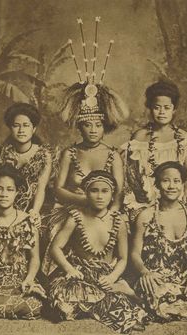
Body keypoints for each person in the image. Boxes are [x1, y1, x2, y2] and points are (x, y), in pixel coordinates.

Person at [42, 82, 128, 275]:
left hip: (106, 210)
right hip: (71, 210)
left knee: (114, 234)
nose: (93, 130)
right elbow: (59, 189)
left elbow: (119, 192)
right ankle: (62, 276)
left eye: (98, 125)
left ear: (104, 127)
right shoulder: (69, 153)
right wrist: (84, 201)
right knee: (54, 236)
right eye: (87, 125)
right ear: (80, 127)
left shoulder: (113, 155)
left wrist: (110, 214)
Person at [47, 170, 146, 333]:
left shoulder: (118, 221)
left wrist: (113, 277)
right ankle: (92, 303)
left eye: (104, 191)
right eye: (94, 190)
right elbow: (55, 248)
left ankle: (122, 290)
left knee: (118, 305)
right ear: (86, 193)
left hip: (104, 275)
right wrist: (69, 269)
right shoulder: (76, 217)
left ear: (112, 195)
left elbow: (122, 258)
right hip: (79, 272)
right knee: (61, 306)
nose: (100, 196)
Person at [131, 161, 187, 321]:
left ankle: (180, 306)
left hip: (184, 278)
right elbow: (134, 253)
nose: (171, 186)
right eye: (166, 181)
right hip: (157, 278)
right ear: (157, 185)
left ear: (183, 184)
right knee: (158, 295)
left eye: (176, 181)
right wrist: (145, 272)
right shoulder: (146, 215)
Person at [0, 164, 46, 319]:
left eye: (10, 189)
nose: (4, 194)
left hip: (18, 282)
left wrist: (30, 279)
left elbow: (34, 258)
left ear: (17, 192)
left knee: (34, 306)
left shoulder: (28, 221)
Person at [121, 80, 187, 217]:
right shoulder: (140, 136)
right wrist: (140, 193)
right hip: (145, 192)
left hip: (175, 190)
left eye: (167, 108)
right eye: (157, 107)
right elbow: (131, 170)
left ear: (174, 109)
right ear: (150, 108)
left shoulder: (182, 138)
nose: (161, 112)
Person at [0, 102, 58, 225]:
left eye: (26, 125)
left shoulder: (44, 155)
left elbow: (41, 188)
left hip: (37, 205)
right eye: (16, 125)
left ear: (33, 129)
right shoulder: (3, 153)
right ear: (10, 128)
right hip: (7, 205)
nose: (21, 130)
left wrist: (34, 212)